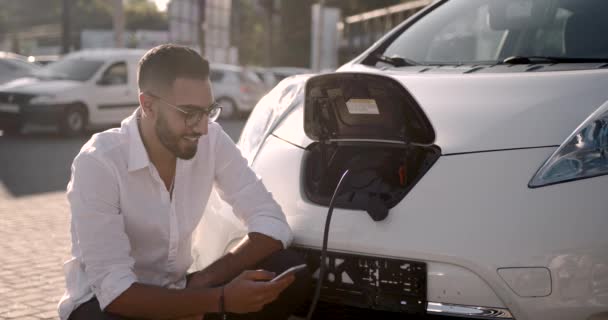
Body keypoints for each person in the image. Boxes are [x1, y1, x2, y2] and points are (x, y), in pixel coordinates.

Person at [58, 44, 310, 320]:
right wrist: (221, 299)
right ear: (148, 105)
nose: (202, 126)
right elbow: (116, 292)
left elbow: (272, 223)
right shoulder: (99, 162)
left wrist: (207, 279)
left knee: (287, 270)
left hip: (183, 288)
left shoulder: (210, 138)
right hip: (108, 304)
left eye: (208, 111)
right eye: (188, 113)